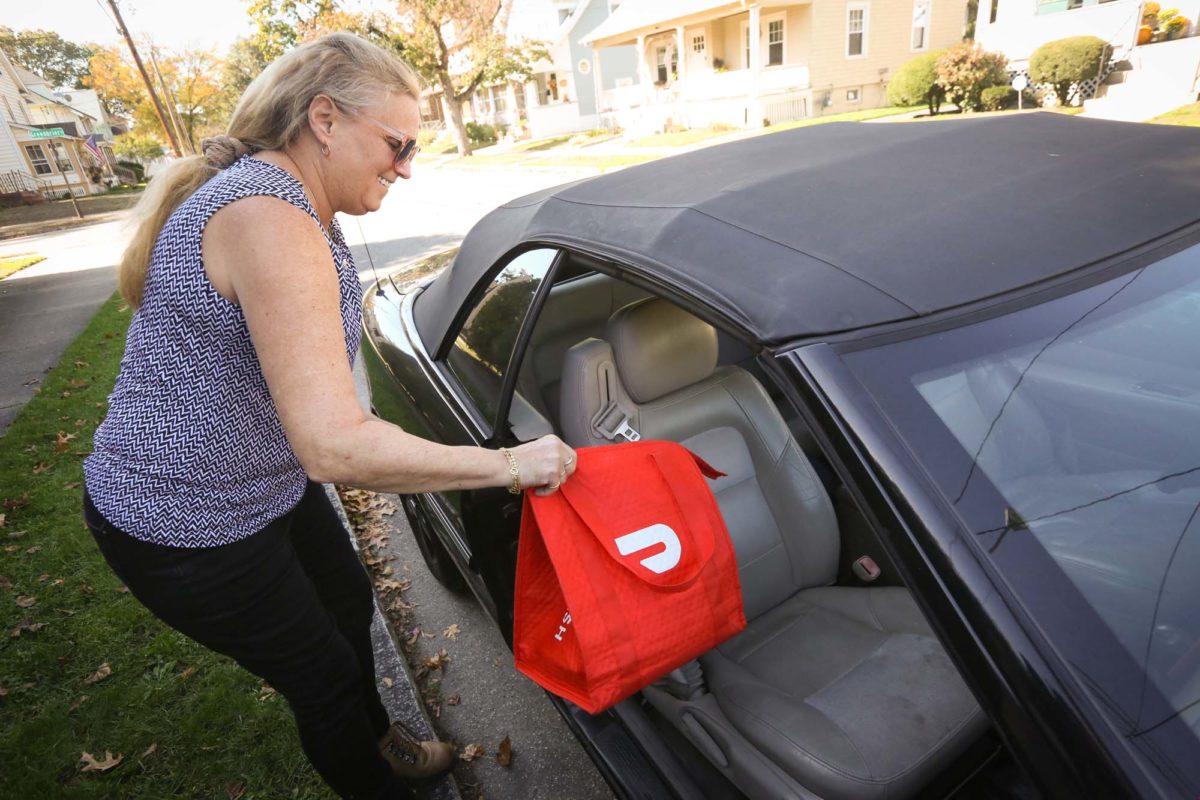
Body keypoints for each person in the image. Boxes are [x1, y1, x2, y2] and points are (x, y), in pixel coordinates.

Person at [81, 32, 576, 800]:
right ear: (323, 119)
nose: (407, 165)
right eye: (396, 142)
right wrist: (512, 466)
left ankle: (385, 742)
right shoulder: (267, 217)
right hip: (180, 523)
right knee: (323, 679)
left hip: (261, 488)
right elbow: (334, 446)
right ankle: (376, 777)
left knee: (348, 606)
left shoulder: (296, 200)